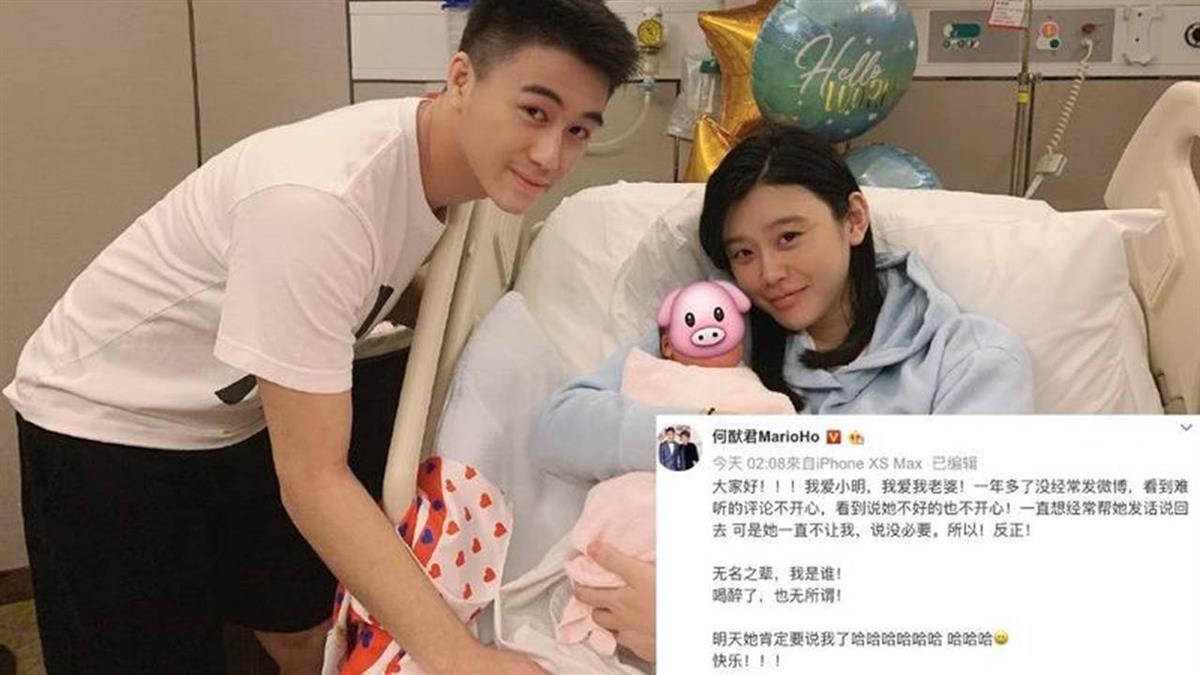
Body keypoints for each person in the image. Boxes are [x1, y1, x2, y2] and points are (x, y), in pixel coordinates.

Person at [4, 2, 637, 674]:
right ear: (460, 78)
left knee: (301, 627)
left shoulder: (443, 168)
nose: (551, 155)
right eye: (534, 112)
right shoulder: (319, 203)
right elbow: (314, 481)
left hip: (234, 410)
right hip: (106, 423)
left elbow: (371, 280)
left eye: (578, 129)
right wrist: (461, 659)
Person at [532, 125, 1035, 659]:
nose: (769, 273)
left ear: (854, 219)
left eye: (789, 237)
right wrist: (710, 441)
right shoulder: (726, 335)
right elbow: (562, 427)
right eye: (743, 253)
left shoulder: (969, 361)